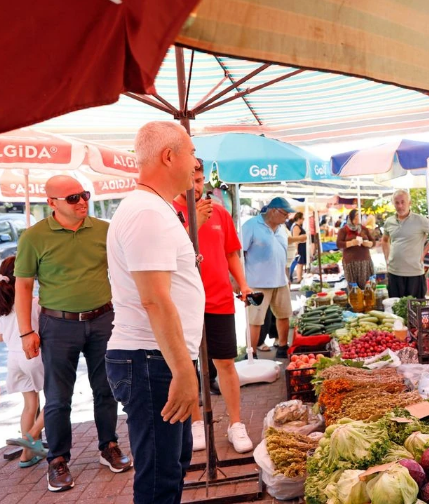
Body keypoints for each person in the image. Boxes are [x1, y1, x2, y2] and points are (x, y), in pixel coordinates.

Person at [106, 121, 205, 503]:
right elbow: (155, 300)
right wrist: (182, 370)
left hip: (156, 357)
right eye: (192, 154)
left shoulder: (154, 208)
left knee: (173, 464)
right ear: (169, 156)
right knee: (159, 479)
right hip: (150, 359)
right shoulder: (146, 212)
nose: (196, 164)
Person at [15, 174, 131, 492]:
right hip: (57, 324)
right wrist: (26, 332)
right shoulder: (33, 237)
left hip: (103, 319)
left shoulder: (104, 230)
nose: (82, 202)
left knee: (106, 388)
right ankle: (57, 460)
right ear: (51, 202)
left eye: (84, 195)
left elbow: (126, 270)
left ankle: (109, 446)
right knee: (57, 399)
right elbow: (23, 286)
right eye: (72, 198)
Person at [173, 161, 255, 454]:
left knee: (226, 363)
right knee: (188, 365)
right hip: (183, 304)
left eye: (199, 180)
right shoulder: (168, 213)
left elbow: (231, 253)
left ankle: (235, 424)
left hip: (219, 298)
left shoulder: (219, 211)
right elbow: (169, 251)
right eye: (191, 180)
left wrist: (242, 284)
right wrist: (194, 223)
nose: (197, 187)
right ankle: (197, 422)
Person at [0, 256, 48, 468]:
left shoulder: (3, 308)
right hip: (33, 357)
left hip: (13, 359)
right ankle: (31, 438)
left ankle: (27, 456)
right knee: (57, 398)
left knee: (30, 405)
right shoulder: (34, 303)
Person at [241, 197, 294, 359]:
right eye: (285, 214)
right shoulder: (251, 226)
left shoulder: (282, 229)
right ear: (273, 211)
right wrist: (238, 280)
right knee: (255, 320)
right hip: (257, 283)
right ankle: (251, 353)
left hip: (280, 281)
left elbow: (282, 254)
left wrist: (286, 276)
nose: (287, 218)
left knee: (284, 314)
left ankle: (283, 347)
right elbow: (238, 253)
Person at [382, 189, 429, 299]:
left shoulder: (420, 220)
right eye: (397, 202)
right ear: (393, 204)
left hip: (414, 273)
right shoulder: (389, 221)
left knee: (416, 309)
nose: (400, 206)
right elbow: (384, 240)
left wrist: (424, 252)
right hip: (394, 273)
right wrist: (387, 258)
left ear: (409, 203)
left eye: (403, 202)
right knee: (396, 310)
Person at [337, 209, 376, 287]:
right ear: (350, 218)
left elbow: (373, 242)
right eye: (355, 218)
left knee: (367, 286)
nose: (358, 220)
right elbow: (339, 244)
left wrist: (368, 244)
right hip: (351, 263)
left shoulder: (364, 229)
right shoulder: (344, 230)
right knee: (354, 288)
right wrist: (351, 243)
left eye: (359, 218)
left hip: (365, 261)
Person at [289, 212, 308, 284]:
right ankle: (299, 278)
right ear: (299, 219)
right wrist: (296, 249)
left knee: (301, 262)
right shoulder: (296, 227)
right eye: (303, 218)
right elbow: (295, 239)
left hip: (301, 246)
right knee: (300, 262)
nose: (303, 220)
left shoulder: (297, 226)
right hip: (300, 246)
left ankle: (300, 277)